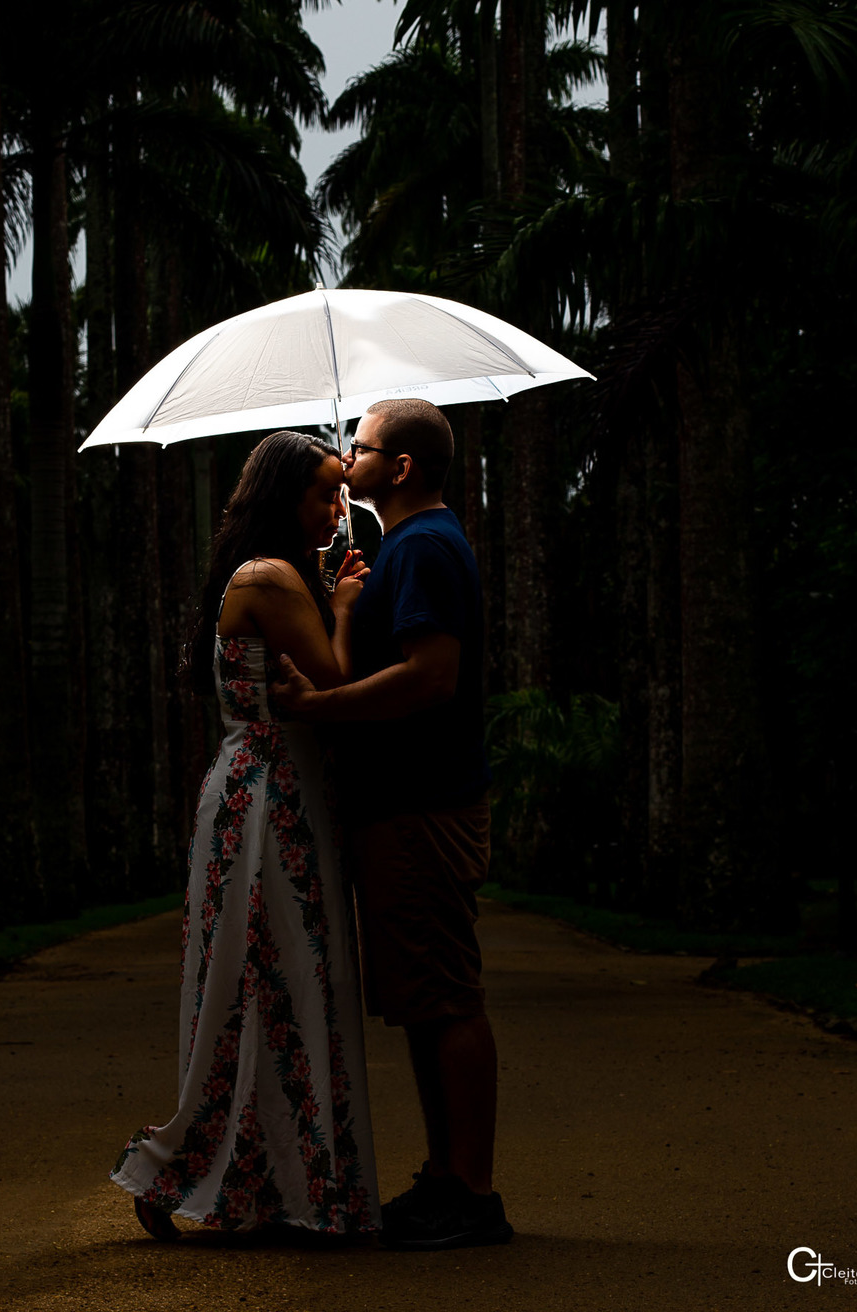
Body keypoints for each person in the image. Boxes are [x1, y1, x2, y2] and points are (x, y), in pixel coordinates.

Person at [112, 430, 379, 1240]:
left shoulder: (277, 572)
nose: (339, 508)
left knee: (279, 985)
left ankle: (264, 1184)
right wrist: (340, 606)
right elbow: (336, 679)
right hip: (270, 802)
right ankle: (190, 1169)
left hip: (276, 794)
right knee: (266, 981)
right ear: (281, 498)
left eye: (342, 490)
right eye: (325, 492)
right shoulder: (268, 579)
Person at [272, 398, 510, 1251]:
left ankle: (474, 1193)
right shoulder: (401, 548)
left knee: (446, 995)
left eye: (359, 444)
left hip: (424, 802)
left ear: (399, 467)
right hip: (397, 803)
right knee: (419, 998)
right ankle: (447, 1174)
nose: (345, 455)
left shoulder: (426, 548)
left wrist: (325, 705)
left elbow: (430, 678)